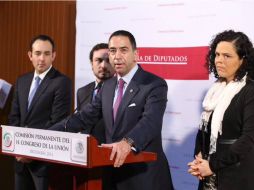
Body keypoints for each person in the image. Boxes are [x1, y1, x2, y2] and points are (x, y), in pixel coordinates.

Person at [51, 30, 174, 190]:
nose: (117, 56)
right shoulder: (107, 86)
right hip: (112, 175)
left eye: (123, 50)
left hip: (144, 177)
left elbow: (150, 122)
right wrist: (50, 134)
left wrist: (128, 142)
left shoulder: (154, 84)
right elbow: (84, 117)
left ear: (135, 54)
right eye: (112, 51)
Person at [188, 30, 254, 190]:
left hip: (235, 179)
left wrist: (212, 165)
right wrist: (199, 158)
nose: (219, 60)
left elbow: (248, 139)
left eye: (227, 56)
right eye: (217, 55)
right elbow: (204, 129)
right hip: (209, 178)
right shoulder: (215, 90)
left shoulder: (250, 90)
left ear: (242, 59)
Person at [8, 34, 72, 190]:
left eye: (47, 53)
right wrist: (18, 149)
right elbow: (14, 117)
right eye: (37, 53)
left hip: (44, 162)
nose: (42, 58)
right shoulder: (22, 80)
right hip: (19, 160)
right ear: (30, 55)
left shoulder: (62, 82)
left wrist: (30, 151)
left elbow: (56, 122)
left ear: (53, 56)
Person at [76, 43, 115, 143]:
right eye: (98, 60)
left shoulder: (122, 90)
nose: (103, 65)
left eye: (108, 60)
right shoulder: (82, 92)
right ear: (91, 63)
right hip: (86, 151)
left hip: (111, 151)